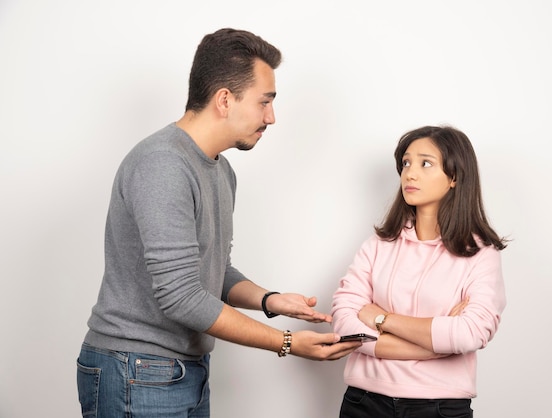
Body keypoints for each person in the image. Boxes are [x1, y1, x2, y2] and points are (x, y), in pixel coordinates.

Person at [76, 28, 360, 418]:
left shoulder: (220, 170)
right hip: (136, 370)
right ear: (224, 99)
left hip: (180, 371)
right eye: (265, 102)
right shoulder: (162, 164)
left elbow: (213, 271)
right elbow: (180, 297)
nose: (272, 117)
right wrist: (287, 342)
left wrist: (269, 301)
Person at [331, 125, 508, 417]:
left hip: (439, 407)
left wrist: (379, 317)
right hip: (364, 402)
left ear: (454, 177)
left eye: (426, 163)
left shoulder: (481, 253)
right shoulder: (379, 244)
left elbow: (470, 333)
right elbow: (343, 321)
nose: (410, 173)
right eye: (406, 163)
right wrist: (434, 346)